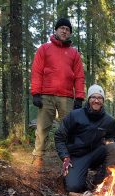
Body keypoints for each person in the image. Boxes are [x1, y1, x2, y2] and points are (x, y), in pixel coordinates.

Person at [31, 18, 85, 167]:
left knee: (69, 129)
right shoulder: (44, 48)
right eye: (61, 28)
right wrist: (35, 93)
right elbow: (37, 72)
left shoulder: (74, 53)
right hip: (46, 95)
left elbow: (79, 76)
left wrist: (79, 97)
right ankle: (38, 157)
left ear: (69, 33)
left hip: (66, 97)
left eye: (67, 29)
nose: (64, 31)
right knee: (42, 128)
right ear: (56, 30)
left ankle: (70, 158)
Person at [54, 84, 115, 192]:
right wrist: (65, 157)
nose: (96, 101)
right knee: (73, 187)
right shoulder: (75, 115)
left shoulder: (108, 121)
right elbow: (59, 137)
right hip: (77, 156)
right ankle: (77, 176)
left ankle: (100, 181)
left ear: (103, 101)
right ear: (89, 99)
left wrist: (109, 142)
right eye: (93, 97)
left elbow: (113, 139)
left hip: (96, 153)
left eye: (99, 98)